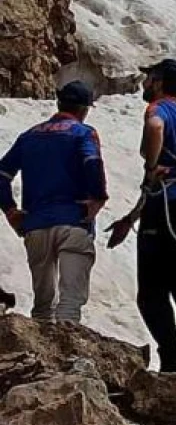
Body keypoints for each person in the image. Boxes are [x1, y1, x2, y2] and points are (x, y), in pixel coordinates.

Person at [104, 59, 176, 380]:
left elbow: (154, 128)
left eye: (149, 77)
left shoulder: (159, 109)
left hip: (162, 212)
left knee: (151, 295)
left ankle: (172, 360)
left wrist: (151, 168)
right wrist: (131, 217)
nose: (145, 83)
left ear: (160, 81)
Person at [0, 81, 107, 324]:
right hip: (74, 221)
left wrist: (10, 210)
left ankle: (40, 355)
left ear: (59, 102)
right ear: (84, 109)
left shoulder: (29, 136)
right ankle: (67, 357)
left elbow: (1, 176)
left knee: (42, 305)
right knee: (70, 302)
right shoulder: (83, 133)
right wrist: (98, 198)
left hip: (35, 225)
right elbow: (92, 163)